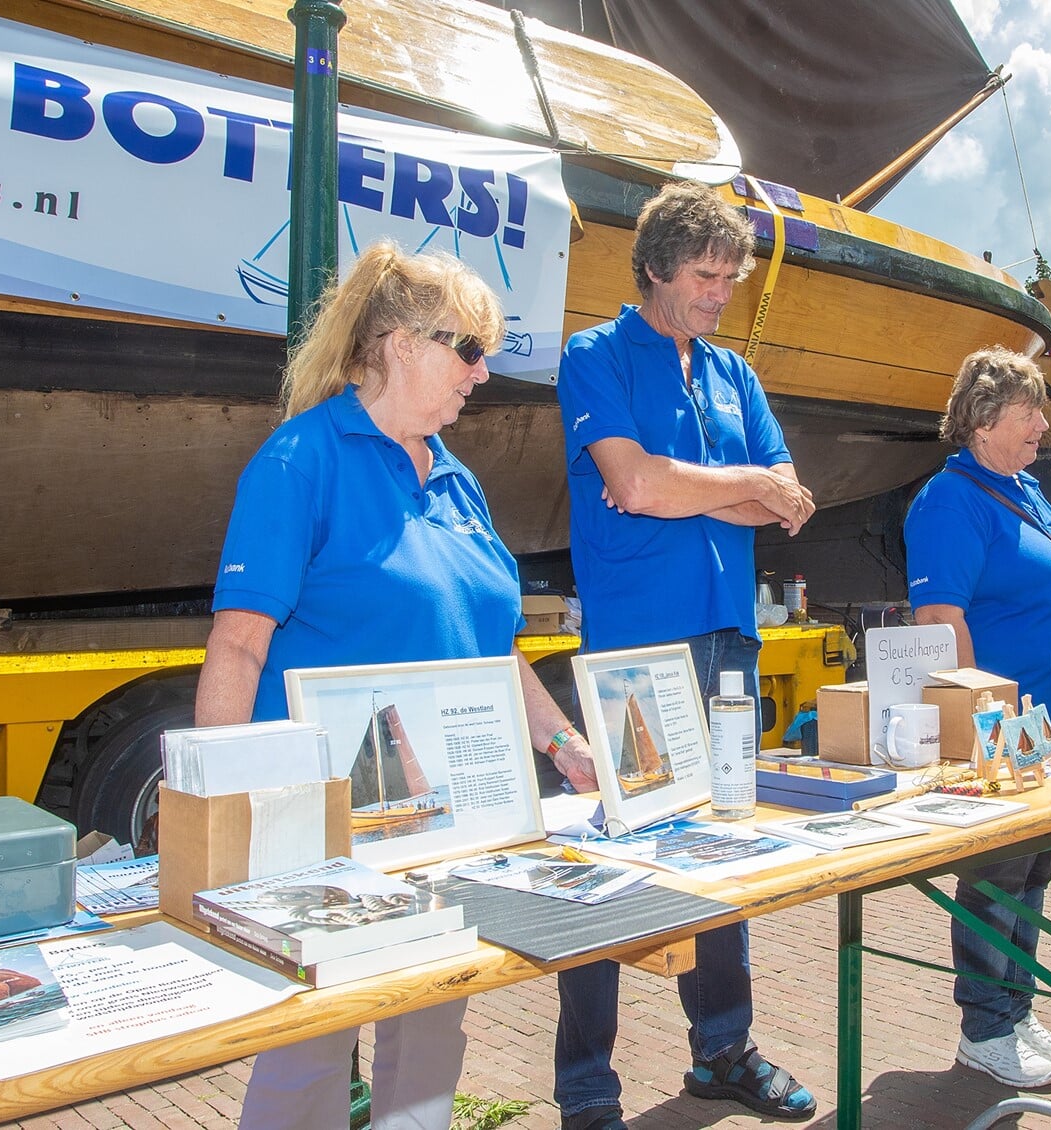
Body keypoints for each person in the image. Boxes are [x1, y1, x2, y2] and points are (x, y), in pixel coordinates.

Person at [196, 244, 596, 1130]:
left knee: (431, 1028)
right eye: (467, 349)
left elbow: (494, 650)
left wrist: (565, 744)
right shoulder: (301, 461)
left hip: (451, 820)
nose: (482, 372)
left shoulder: (456, 477)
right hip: (323, 827)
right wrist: (222, 818)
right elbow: (236, 649)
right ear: (399, 344)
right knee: (307, 1049)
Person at [551, 180, 817, 1130]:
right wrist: (734, 484)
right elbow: (631, 483)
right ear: (657, 266)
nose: (720, 294)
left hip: (727, 645)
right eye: (706, 276)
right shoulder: (595, 356)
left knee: (725, 847)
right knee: (612, 863)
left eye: (730, 278)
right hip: (637, 650)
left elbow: (788, 501)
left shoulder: (733, 371)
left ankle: (723, 1051)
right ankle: (587, 1091)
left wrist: (687, 487)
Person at [904, 346, 1051, 1090]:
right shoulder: (952, 500)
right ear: (985, 419)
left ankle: (1014, 1012)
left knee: (1035, 871)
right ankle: (985, 1025)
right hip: (1006, 728)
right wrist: (989, 727)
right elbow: (943, 619)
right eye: (1030, 412)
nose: (1043, 424)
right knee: (998, 876)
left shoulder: (1024, 486)